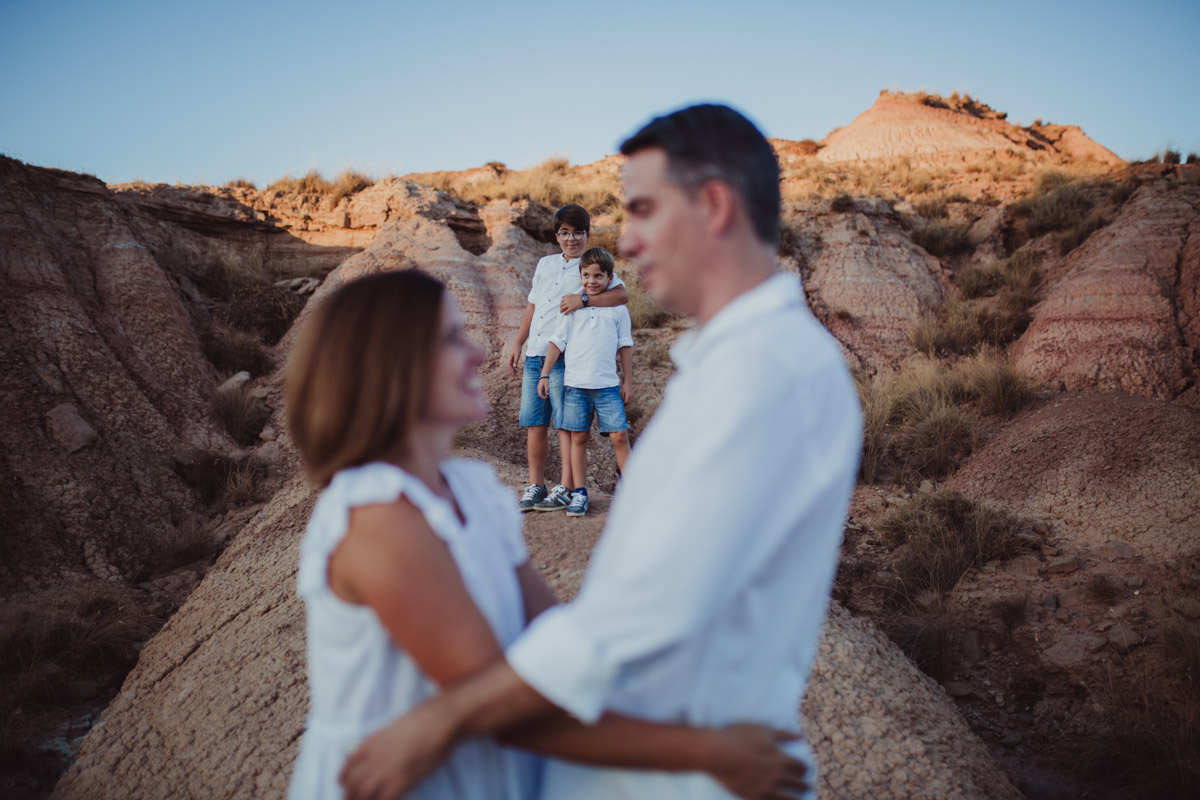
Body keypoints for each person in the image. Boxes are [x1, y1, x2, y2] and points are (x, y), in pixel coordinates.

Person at [340, 104, 862, 800]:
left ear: (712, 205)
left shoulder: (765, 373)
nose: (632, 241)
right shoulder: (734, 363)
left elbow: (636, 614)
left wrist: (440, 721)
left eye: (643, 210)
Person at [285, 269, 812, 799]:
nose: (476, 354)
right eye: (450, 340)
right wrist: (710, 753)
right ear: (387, 366)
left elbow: (551, 646)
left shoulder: (473, 491)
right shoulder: (377, 515)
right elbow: (502, 710)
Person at [508, 204, 629, 513]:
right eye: (565, 233)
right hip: (537, 353)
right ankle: (536, 485)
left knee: (566, 424)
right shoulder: (545, 264)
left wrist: (584, 298)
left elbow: (621, 296)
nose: (571, 239)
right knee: (534, 421)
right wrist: (518, 342)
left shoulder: (592, 265)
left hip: (566, 356)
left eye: (578, 232)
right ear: (557, 235)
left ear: (587, 234)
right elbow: (533, 306)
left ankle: (566, 487)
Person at [537, 246, 633, 517]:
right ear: (580, 276)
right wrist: (545, 373)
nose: (592, 281)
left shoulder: (617, 310)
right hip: (576, 385)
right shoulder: (571, 308)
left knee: (619, 435)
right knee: (578, 439)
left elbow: (626, 346)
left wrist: (628, 382)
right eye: (587, 275)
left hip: (607, 386)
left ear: (610, 277)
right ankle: (579, 492)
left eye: (598, 276)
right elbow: (557, 342)